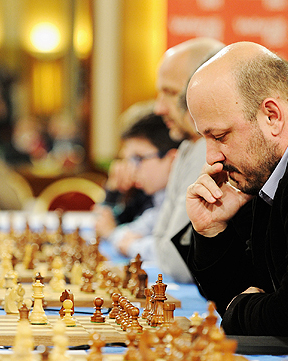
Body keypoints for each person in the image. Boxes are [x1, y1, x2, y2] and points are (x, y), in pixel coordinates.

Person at [180, 41, 288, 361]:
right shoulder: (275, 168)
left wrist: (239, 310)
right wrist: (212, 231)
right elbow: (249, 292)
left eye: (219, 136)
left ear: (271, 115)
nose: (212, 157)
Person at [149, 37, 225, 283]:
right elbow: (161, 244)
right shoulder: (187, 148)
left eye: (170, 93)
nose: (159, 108)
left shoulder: (208, 151)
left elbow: (176, 262)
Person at [102, 114, 179, 261]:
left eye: (139, 158)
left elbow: (169, 253)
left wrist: (129, 244)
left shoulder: (185, 196)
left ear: (172, 160)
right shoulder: (159, 196)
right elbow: (129, 231)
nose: (132, 168)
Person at [95, 101, 156, 239]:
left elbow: (137, 232)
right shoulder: (135, 187)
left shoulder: (152, 188)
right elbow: (102, 224)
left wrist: (111, 231)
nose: (123, 154)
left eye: (137, 156)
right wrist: (113, 189)